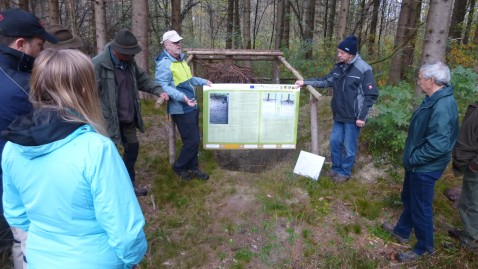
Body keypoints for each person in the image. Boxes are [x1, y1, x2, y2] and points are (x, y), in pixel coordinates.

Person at [1, 48, 147, 268]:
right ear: (84, 89)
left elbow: (16, 214)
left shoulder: (12, 147)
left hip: (39, 259)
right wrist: (131, 260)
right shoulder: (97, 150)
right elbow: (125, 232)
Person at [382, 61, 459, 262]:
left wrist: (414, 159)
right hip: (417, 164)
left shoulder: (441, 106)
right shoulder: (432, 98)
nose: (418, 81)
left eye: (420, 78)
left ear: (431, 80)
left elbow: (439, 145)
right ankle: (402, 230)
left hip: (424, 166)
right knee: (409, 198)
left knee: (421, 206)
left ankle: (424, 249)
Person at [0, 8, 58, 268]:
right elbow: (43, 143)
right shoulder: (20, 89)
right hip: (16, 189)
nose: (41, 53)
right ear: (21, 44)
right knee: (20, 243)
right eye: (39, 45)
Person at [93, 29, 168, 196]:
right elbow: (85, 93)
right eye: (129, 53)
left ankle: (129, 183)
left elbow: (143, 80)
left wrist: (158, 91)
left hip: (127, 117)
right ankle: (108, 190)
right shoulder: (97, 65)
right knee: (107, 155)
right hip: (107, 120)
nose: (132, 56)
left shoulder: (129, 64)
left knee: (133, 147)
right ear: (118, 51)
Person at [295, 35, 378, 183]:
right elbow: (325, 81)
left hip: (353, 117)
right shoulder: (339, 67)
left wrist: (362, 117)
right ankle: (336, 169)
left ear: (351, 54)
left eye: (342, 52)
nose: (338, 55)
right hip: (339, 114)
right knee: (334, 142)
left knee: (349, 147)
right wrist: (305, 82)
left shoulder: (364, 69)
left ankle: (345, 173)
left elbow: (371, 95)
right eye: (338, 52)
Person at [155, 30, 212, 181]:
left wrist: (204, 81)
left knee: (193, 140)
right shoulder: (164, 63)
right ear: (166, 45)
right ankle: (179, 166)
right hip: (181, 108)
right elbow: (162, 86)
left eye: (179, 41)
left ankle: (193, 167)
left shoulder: (180, 60)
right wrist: (182, 97)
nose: (178, 44)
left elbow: (189, 80)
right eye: (174, 42)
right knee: (192, 141)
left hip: (191, 105)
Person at [449, 102, 478, 249]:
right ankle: (470, 234)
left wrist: (475, 163)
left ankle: (470, 243)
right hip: (471, 161)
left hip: (475, 166)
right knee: (470, 199)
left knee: (471, 202)